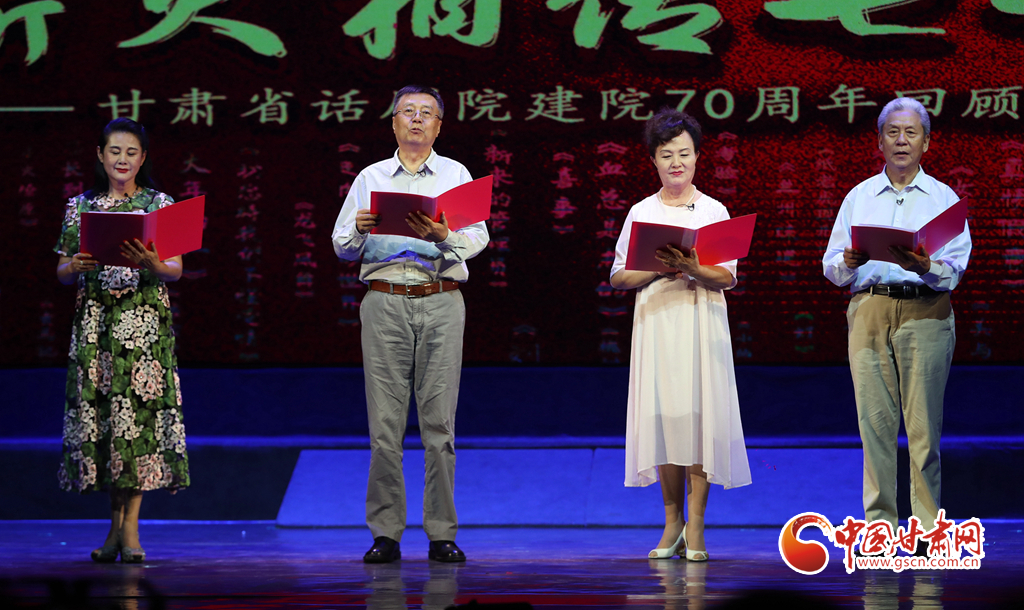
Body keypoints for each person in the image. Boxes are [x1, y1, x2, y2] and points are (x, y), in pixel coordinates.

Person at [332, 85, 488, 564]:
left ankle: (441, 533)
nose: (417, 119)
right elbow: (341, 245)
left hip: (441, 298)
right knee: (385, 426)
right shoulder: (371, 176)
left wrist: (444, 235)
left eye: (427, 113)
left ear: (439, 126)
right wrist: (359, 228)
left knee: (440, 425)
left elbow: (478, 238)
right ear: (394, 122)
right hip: (385, 300)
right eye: (408, 112)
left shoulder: (455, 174)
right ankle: (386, 533)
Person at [823, 97, 970, 550]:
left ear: (926, 142)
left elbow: (955, 269)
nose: (901, 140)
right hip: (870, 310)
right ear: (880, 141)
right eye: (893, 132)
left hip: (926, 311)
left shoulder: (944, 199)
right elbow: (831, 265)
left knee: (924, 431)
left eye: (911, 132)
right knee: (875, 427)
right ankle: (879, 531)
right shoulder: (859, 196)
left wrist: (925, 266)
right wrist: (848, 262)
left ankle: (927, 532)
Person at [611, 108, 751, 561]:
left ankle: (696, 525)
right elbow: (618, 276)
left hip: (699, 320)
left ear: (697, 157)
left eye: (684, 154)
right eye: (667, 154)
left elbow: (728, 276)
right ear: (653, 159)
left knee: (698, 419)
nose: (676, 162)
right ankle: (671, 523)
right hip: (657, 323)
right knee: (665, 419)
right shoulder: (641, 211)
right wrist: (660, 267)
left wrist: (693, 267)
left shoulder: (713, 210)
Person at [55, 118, 190, 563]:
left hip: (143, 328)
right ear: (100, 155)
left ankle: (129, 529)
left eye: (131, 152)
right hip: (96, 328)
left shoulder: (160, 204)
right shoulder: (80, 207)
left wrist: (152, 262)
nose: (122, 160)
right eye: (115, 151)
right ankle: (115, 530)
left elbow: (175, 270)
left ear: (143, 158)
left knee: (138, 426)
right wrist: (74, 266)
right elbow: (62, 270)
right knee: (106, 426)